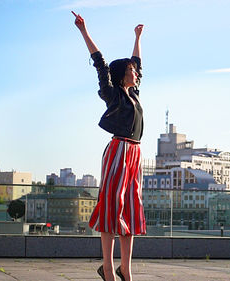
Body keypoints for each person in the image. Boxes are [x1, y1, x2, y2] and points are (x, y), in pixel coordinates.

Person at [72, 11, 146, 281]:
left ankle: (125, 268)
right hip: (118, 151)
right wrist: (84, 31)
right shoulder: (112, 93)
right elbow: (100, 64)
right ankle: (108, 269)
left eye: (135, 71)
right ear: (120, 75)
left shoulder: (135, 94)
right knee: (112, 209)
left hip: (135, 153)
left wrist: (137, 37)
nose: (135, 72)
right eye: (130, 70)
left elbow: (138, 61)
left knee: (130, 210)